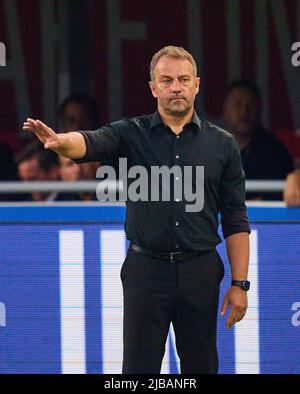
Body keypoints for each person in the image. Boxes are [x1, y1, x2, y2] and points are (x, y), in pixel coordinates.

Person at [23, 46, 251, 374]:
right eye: (167, 80)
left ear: (196, 85)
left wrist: (240, 284)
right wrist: (61, 141)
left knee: (201, 369)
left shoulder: (222, 144)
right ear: (153, 87)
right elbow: (89, 142)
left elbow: (235, 218)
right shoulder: (131, 134)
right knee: (138, 373)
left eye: (184, 79)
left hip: (200, 272)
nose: (176, 87)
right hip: (146, 271)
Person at [222, 80, 294, 200]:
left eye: (251, 105)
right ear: (225, 110)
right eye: (238, 105)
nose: (245, 112)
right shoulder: (210, 148)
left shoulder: (275, 151)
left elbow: (272, 199)